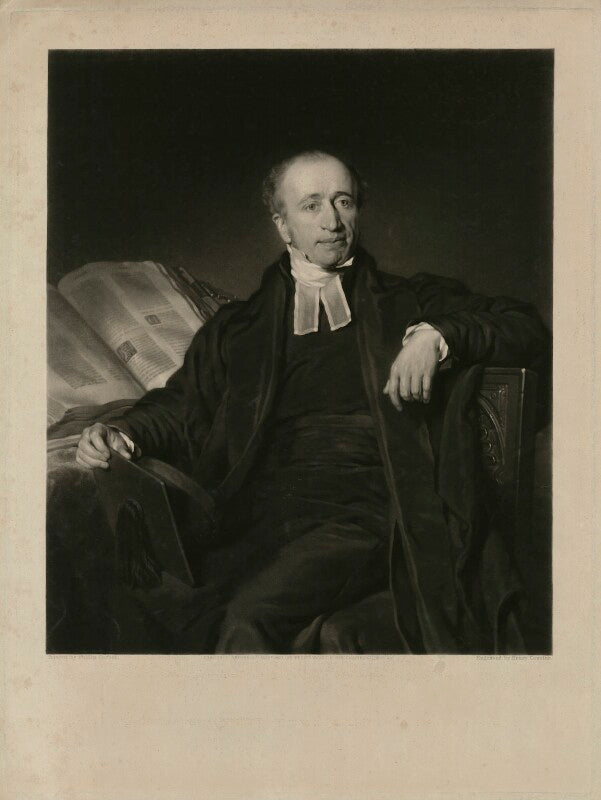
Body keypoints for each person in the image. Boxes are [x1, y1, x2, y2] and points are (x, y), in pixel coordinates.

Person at [76, 150, 549, 654]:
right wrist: (122, 433)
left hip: (370, 512)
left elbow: (525, 326)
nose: (332, 221)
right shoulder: (239, 328)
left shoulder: (411, 302)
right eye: (311, 205)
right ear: (282, 225)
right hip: (263, 515)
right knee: (157, 596)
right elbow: (182, 404)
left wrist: (436, 336)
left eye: (344, 201)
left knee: (248, 618)